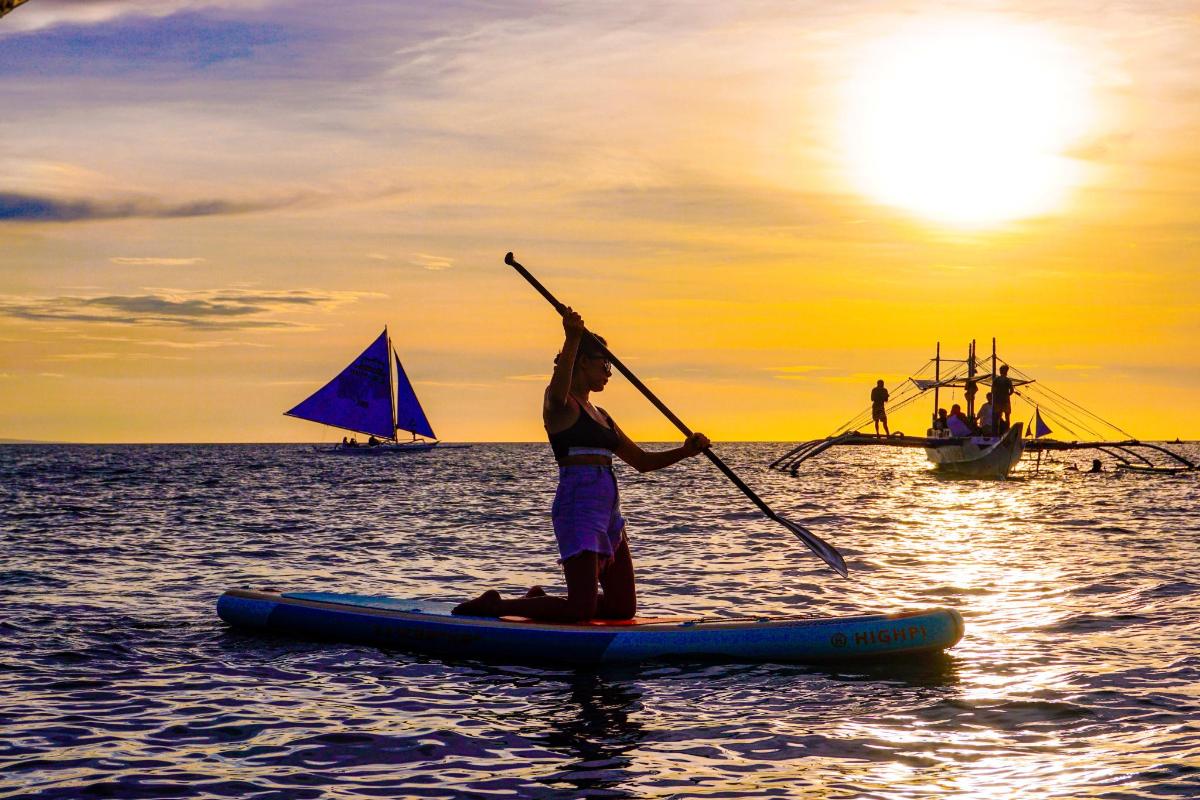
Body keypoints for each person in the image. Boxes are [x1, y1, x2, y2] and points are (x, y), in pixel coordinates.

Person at [453, 307, 710, 623]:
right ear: (583, 361)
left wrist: (685, 451)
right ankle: (495, 605)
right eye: (605, 363)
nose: (608, 371)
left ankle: (540, 602)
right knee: (581, 610)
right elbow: (558, 391)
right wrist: (572, 337)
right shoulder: (559, 404)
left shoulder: (602, 414)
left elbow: (641, 461)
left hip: (609, 512)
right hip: (579, 506)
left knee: (621, 609)